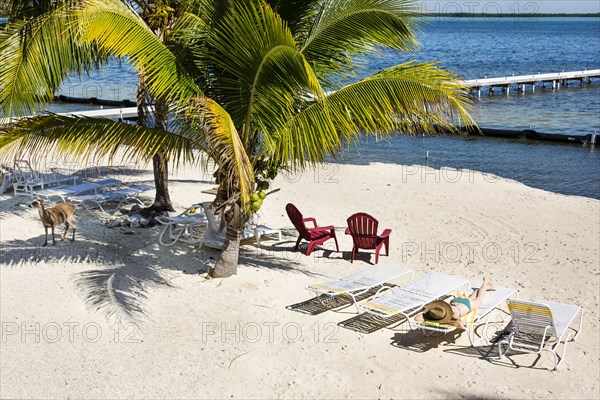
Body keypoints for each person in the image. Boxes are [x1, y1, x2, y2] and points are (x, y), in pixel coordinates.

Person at [415, 277, 495, 329]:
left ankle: (485, 284)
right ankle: (482, 288)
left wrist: (445, 321)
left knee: (478, 300)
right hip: (456, 301)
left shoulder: (453, 315)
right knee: (470, 298)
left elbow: (460, 323)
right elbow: (417, 318)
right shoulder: (438, 310)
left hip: (466, 305)